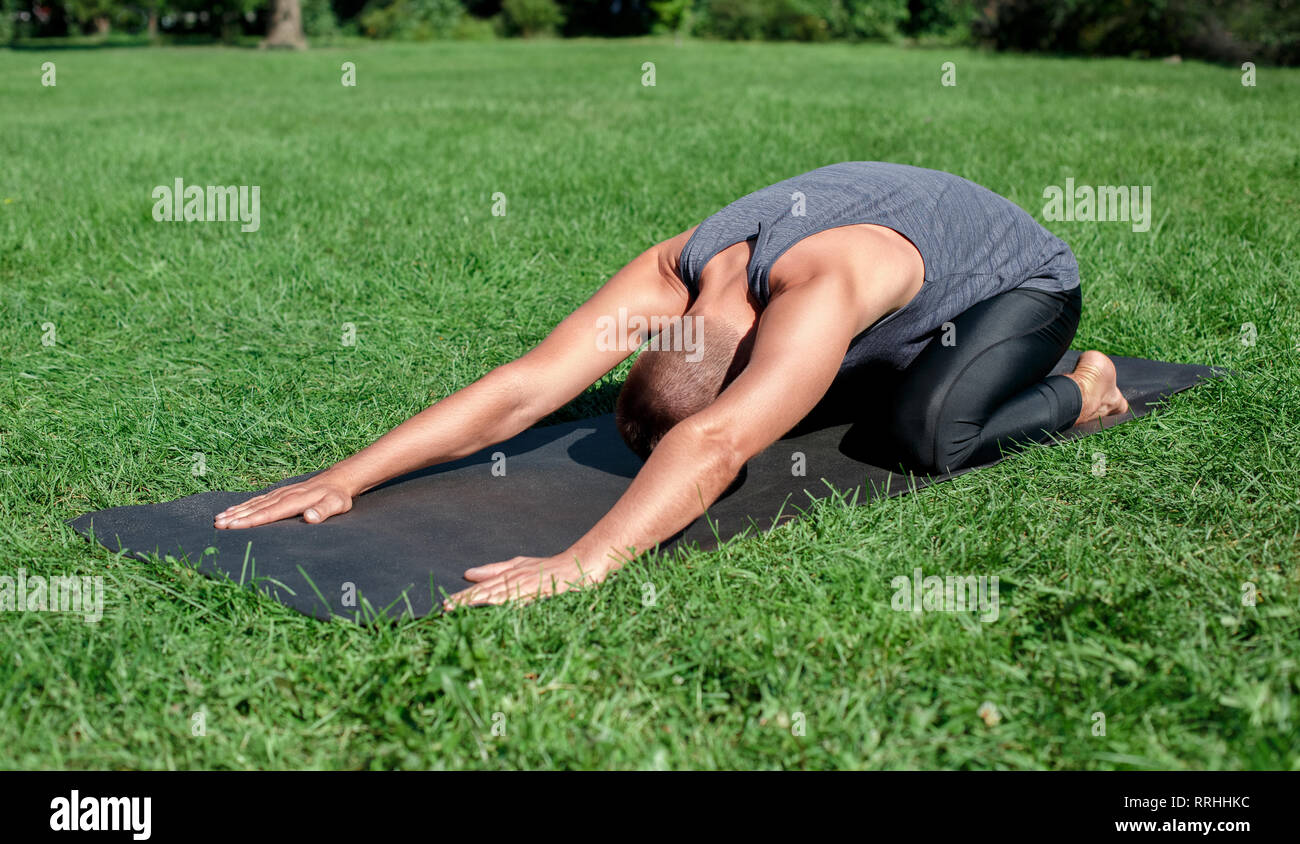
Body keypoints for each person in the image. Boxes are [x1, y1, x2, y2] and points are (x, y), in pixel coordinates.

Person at [214, 162, 1129, 607]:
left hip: (1017, 283)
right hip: (890, 254)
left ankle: (1085, 390)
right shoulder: (672, 275)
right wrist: (349, 474)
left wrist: (588, 559)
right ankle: (873, 366)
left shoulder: (819, 291)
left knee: (926, 436)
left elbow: (717, 439)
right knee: (851, 398)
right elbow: (526, 386)